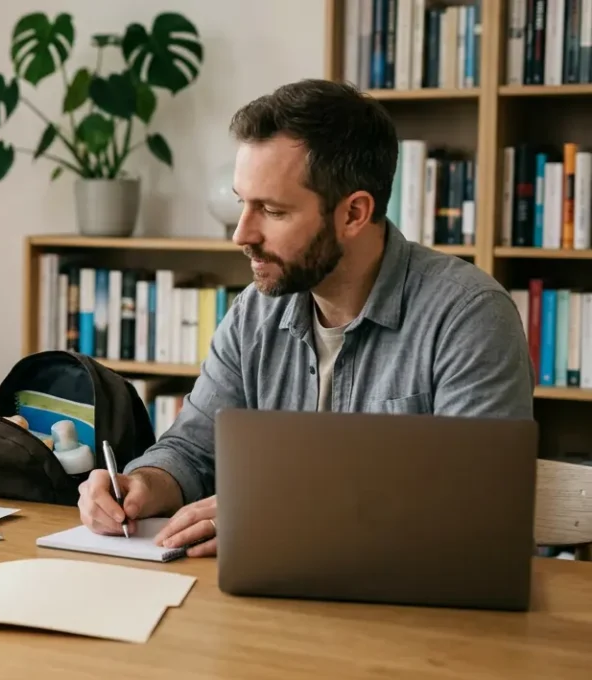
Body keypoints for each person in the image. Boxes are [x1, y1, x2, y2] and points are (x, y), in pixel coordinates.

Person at [78, 79, 534, 556]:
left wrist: (275, 517)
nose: (241, 234)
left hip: (414, 613)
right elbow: (194, 450)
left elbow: (477, 508)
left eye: (272, 211)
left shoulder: (470, 317)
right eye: (242, 203)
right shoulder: (255, 311)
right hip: (270, 602)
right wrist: (145, 483)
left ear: (354, 213)